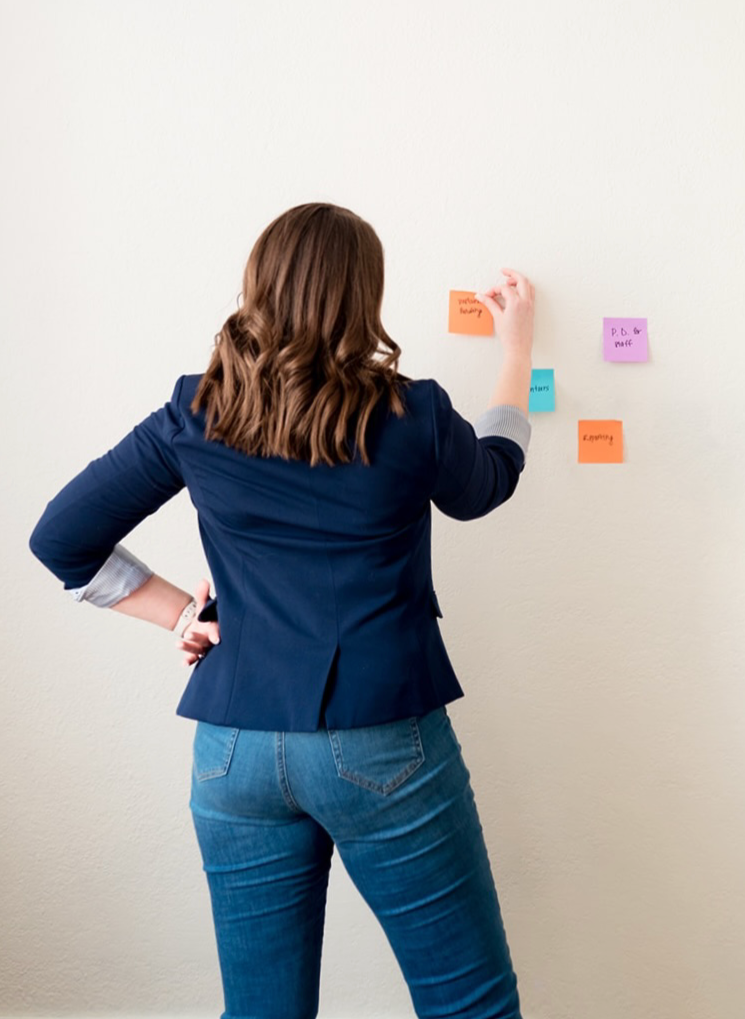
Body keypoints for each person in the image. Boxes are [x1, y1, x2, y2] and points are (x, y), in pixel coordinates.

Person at [29, 202, 535, 1019]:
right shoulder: (414, 415)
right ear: (362, 296)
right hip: (381, 740)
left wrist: (173, 615)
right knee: (468, 1005)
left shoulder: (198, 410)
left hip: (233, 749)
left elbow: (60, 537)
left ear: (258, 284)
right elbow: (489, 480)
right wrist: (516, 353)